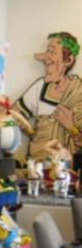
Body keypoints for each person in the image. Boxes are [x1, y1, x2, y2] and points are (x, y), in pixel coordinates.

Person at [13, 32, 82, 160]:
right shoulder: (40, 87)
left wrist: (71, 127)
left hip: (69, 166)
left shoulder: (79, 92)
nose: (45, 58)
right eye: (47, 51)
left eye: (52, 52)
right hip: (39, 164)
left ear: (68, 60)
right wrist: (34, 134)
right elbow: (14, 116)